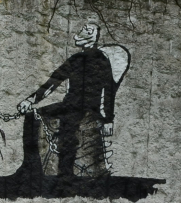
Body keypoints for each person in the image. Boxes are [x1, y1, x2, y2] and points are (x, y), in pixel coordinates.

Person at [17, 17, 128, 179]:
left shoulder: (98, 60)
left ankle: (65, 176)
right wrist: (31, 100)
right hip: (72, 104)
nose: (79, 33)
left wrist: (108, 119)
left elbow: (108, 90)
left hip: (85, 108)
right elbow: (54, 81)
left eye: (84, 31)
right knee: (35, 115)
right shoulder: (79, 59)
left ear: (89, 37)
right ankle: (34, 167)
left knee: (67, 133)